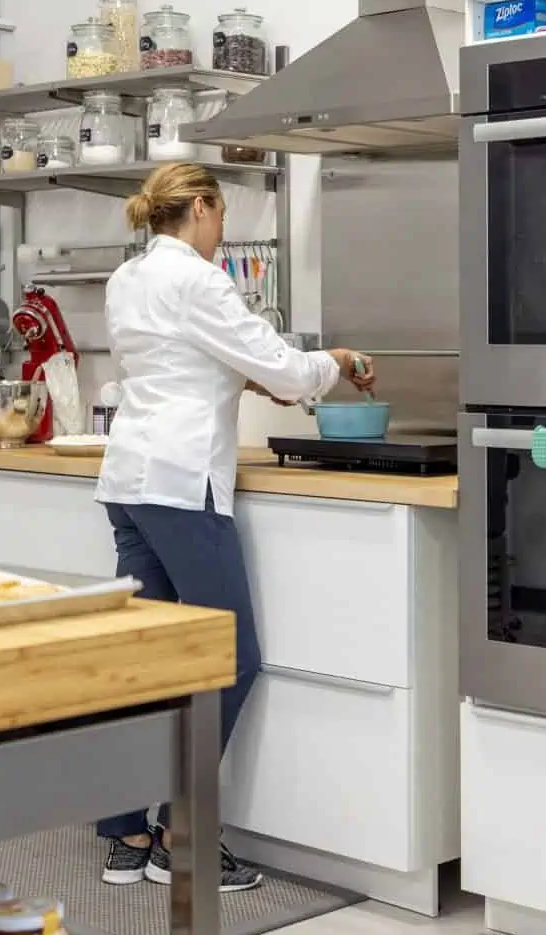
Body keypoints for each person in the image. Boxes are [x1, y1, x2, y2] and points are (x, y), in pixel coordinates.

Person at [93, 162, 375, 892]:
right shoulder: (198, 279)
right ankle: (184, 835)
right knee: (230, 656)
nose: (225, 232)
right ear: (203, 207)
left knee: (148, 657)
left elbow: (181, 362)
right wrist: (336, 362)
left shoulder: (130, 279)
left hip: (130, 480)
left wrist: (250, 375)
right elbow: (284, 370)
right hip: (183, 483)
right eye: (222, 215)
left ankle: (125, 828)